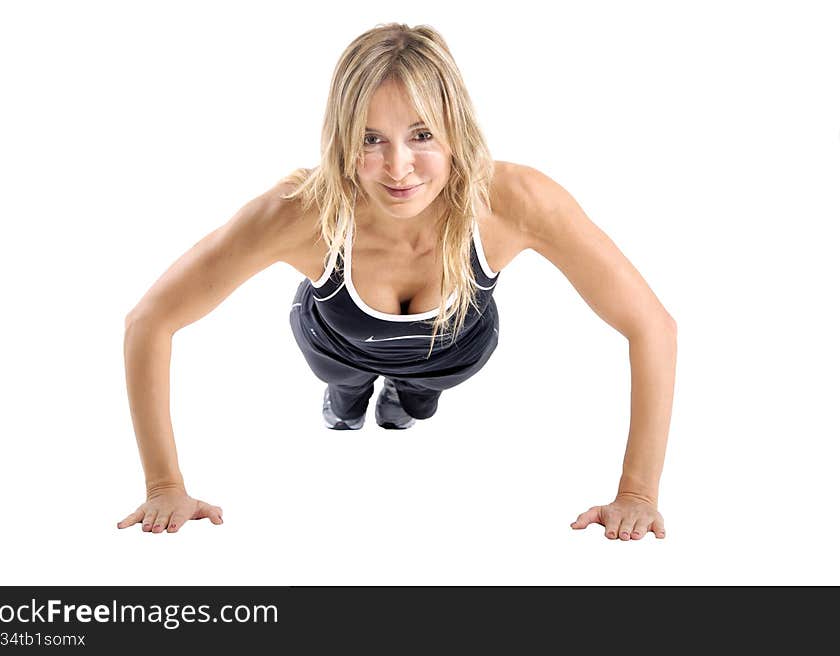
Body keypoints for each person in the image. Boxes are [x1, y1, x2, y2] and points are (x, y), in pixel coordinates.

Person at [118, 23, 677, 541]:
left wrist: (638, 493)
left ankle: (407, 401)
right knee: (345, 390)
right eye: (370, 139)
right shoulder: (300, 214)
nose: (398, 167)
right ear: (340, 139)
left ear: (456, 130)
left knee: (415, 401)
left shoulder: (517, 202)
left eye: (421, 134)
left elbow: (651, 326)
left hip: (451, 355)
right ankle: (348, 397)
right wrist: (164, 485)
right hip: (334, 344)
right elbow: (151, 320)